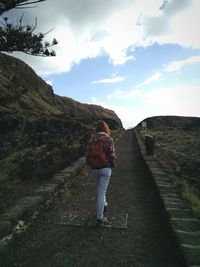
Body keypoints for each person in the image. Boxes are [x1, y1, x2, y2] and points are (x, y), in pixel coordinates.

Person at [86, 120, 117, 224]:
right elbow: (112, 155)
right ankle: (100, 217)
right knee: (102, 191)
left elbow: (87, 154)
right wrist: (112, 165)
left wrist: (90, 165)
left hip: (94, 168)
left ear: (97, 129)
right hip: (105, 168)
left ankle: (104, 205)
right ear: (106, 128)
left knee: (100, 190)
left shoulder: (92, 139)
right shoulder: (109, 139)